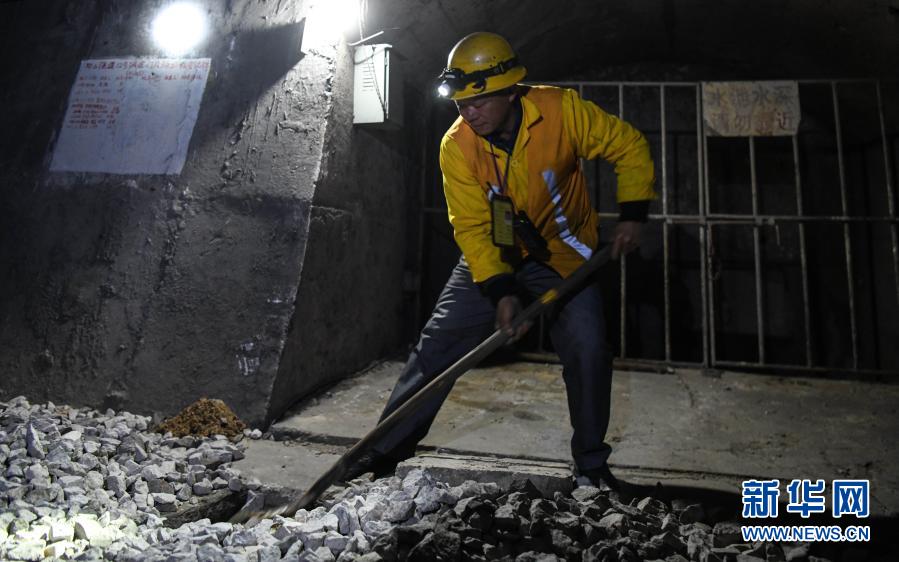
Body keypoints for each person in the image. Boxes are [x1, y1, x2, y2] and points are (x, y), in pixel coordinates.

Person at [346, 32, 656, 490]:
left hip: (566, 256)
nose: (468, 113)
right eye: (460, 103)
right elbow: (472, 225)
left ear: (511, 91)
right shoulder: (456, 145)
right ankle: (383, 450)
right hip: (496, 252)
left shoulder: (561, 111)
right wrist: (500, 288)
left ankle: (591, 465)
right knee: (437, 344)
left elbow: (628, 146)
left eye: (479, 101)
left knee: (589, 350)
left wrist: (633, 214)